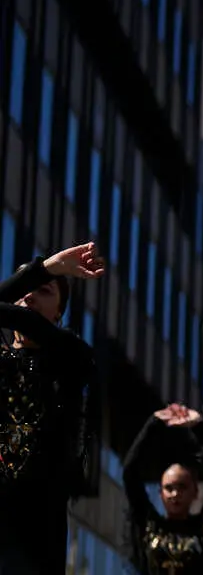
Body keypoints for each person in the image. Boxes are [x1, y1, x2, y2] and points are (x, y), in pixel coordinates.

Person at [0, 243, 103, 574]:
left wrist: (44, 273)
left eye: (42, 292)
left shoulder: (73, 358)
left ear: (59, 311)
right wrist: (45, 270)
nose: (29, 297)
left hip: (35, 532)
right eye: (23, 291)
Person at [123, 404, 203, 574]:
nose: (175, 494)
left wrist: (199, 428)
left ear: (195, 492)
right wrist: (153, 423)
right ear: (160, 493)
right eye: (169, 488)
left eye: (182, 487)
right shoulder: (149, 525)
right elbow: (130, 473)